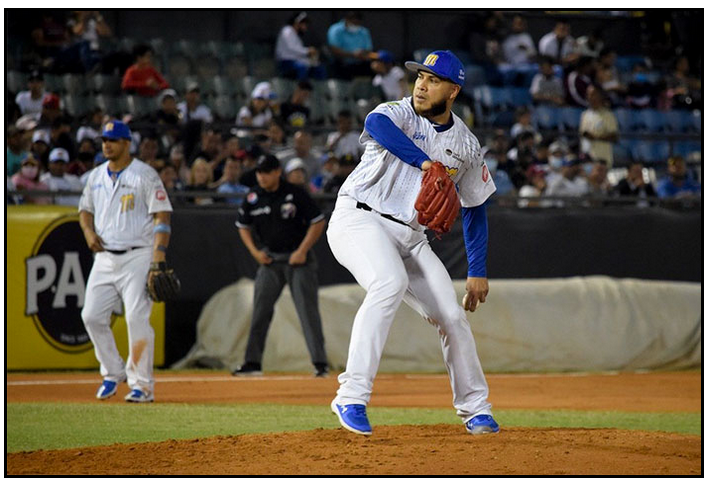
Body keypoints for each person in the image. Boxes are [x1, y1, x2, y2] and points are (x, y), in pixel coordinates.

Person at [326, 50, 499, 436]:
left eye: (433, 80)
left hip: (411, 238)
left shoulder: (467, 146)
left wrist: (477, 271)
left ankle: (476, 409)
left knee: (452, 318)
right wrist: (426, 164)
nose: (421, 84)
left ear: (453, 91)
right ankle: (351, 396)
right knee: (389, 282)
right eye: (420, 76)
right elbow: (376, 124)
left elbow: (474, 207)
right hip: (359, 217)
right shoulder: (399, 112)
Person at [79, 120, 173, 403]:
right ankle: (112, 372)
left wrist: (158, 258)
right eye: (104, 140)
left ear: (127, 144)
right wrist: (88, 231)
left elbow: (163, 216)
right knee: (92, 316)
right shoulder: (95, 176)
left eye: (113, 140)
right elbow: (85, 209)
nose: (107, 144)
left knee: (136, 317)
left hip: (138, 255)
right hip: (105, 256)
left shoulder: (145, 175)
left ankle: (142, 386)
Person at [233, 154, 329, 378]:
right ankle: (252, 362)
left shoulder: (295, 193)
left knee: (307, 311)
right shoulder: (253, 197)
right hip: (270, 260)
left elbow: (317, 222)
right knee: (259, 311)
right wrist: (255, 252)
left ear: (277, 171)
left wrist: (302, 250)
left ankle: (319, 363)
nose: (262, 176)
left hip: (298, 261)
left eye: (266, 172)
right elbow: (242, 225)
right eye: (259, 172)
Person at [275, 11, 324, 80]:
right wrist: (308, 51)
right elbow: (292, 47)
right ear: (297, 23)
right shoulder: (287, 30)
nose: (305, 27)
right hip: (286, 62)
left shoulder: (296, 35)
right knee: (302, 67)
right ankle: (300, 88)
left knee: (318, 67)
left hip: (297, 60)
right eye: (304, 24)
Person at [327, 11, 374, 79]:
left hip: (361, 63)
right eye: (354, 23)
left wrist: (362, 53)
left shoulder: (363, 31)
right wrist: (352, 54)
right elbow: (334, 49)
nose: (356, 25)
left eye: (358, 23)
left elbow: (368, 49)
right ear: (347, 20)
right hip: (342, 64)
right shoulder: (335, 29)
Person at [579, 85, 618, 167]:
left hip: (602, 159)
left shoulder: (608, 115)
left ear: (600, 96)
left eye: (593, 94)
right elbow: (582, 134)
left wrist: (595, 138)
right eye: (588, 94)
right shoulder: (585, 114)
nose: (590, 97)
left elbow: (614, 137)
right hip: (586, 159)